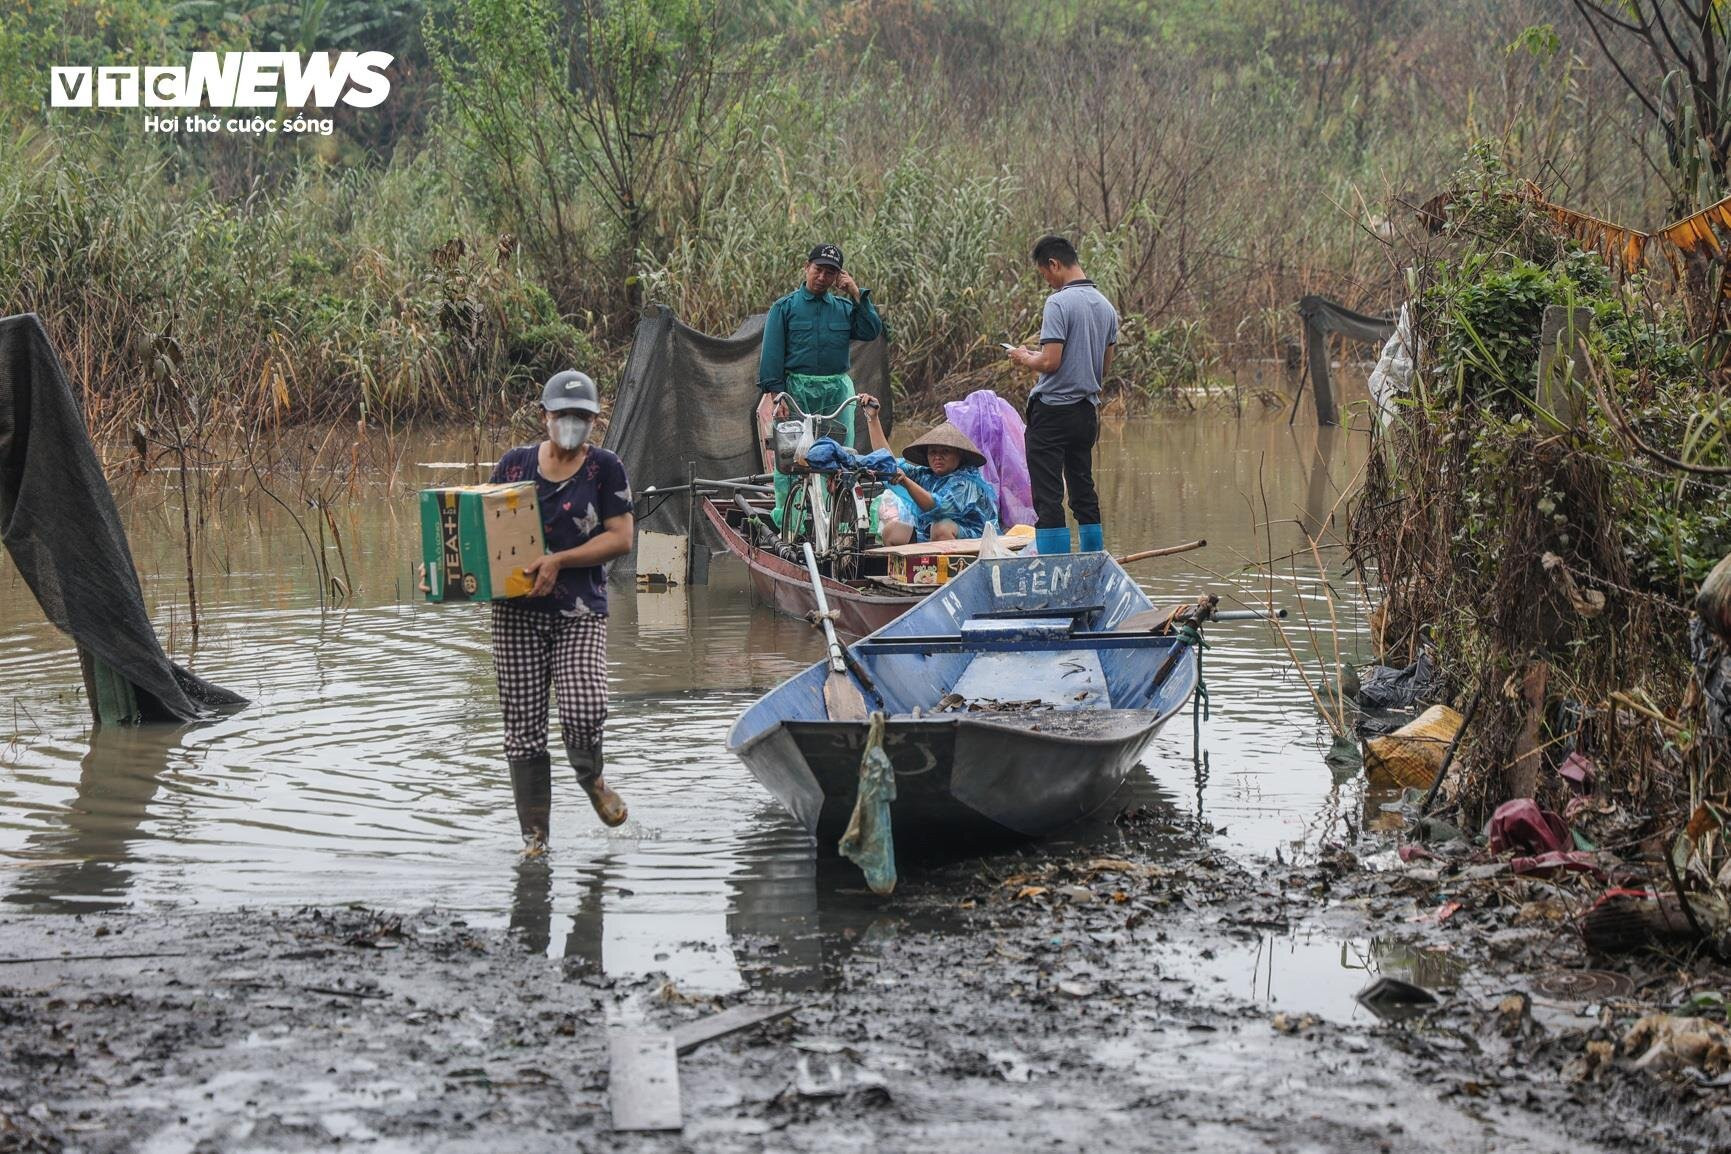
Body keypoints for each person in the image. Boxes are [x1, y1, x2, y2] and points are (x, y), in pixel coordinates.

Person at [487, 370, 634, 853]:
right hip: (516, 615)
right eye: (563, 415)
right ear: (544, 416)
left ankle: (591, 779)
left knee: (584, 706)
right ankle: (535, 840)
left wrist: (560, 561)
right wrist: (442, 574)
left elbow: (621, 537)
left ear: (594, 420)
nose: (571, 424)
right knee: (523, 730)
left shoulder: (604, 468)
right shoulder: (513, 466)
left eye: (582, 417)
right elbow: (481, 531)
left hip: (579, 610)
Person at [758, 243, 884, 528]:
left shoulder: (843, 308)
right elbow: (772, 356)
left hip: (836, 391)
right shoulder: (785, 307)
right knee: (791, 459)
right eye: (818, 270)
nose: (823, 277)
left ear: (838, 276)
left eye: (831, 273)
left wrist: (854, 292)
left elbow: (871, 330)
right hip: (795, 392)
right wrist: (778, 397)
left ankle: (835, 525)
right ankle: (793, 524)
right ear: (806, 267)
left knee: (838, 457)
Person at [1006, 235, 1118, 555]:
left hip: (1053, 411)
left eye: (1045, 274)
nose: (1047, 283)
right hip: (1086, 413)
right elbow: (1104, 368)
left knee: (1048, 495)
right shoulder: (1107, 307)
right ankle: (1094, 560)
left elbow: (1050, 361)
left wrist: (1024, 356)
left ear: (1054, 264)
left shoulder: (1058, 303)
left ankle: (1054, 568)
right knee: (1083, 490)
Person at [860, 394, 998, 545]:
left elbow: (937, 509)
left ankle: (948, 569)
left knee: (941, 528)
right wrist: (872, 418)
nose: (937, 457)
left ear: (959, 456)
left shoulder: (966, 483)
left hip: (975, 542)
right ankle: (913, 568)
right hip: (931, 537)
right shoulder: (927, 475)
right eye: (933, 452)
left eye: (945, 452)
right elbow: (888, 463)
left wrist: (906, 482)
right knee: (891, 531)